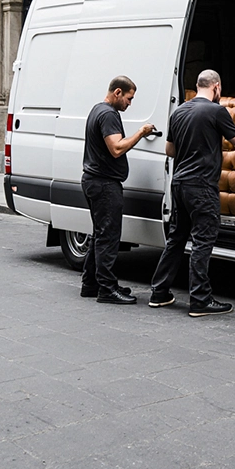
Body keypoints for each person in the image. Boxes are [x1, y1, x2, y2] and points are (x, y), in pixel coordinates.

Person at [149, 69, 235, 317]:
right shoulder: (216, 111)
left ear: (198, 85)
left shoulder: (179, 111)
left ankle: (159, 293)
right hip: (201, 186)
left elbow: (170, 150)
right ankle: (200, 300)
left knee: (176, 239)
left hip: (179, 185)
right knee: (202, 241)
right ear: (216, 87)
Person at [81, 75, 156, 304]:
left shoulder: (97, 109)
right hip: (104, 184)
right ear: (117, 92)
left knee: (100, 235)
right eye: (129, 98)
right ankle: (107, 289)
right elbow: (116, 148)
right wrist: (141, 133)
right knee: (109, 237)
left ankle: (91, 284)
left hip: (94, 181)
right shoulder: (108, 114)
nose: (129, 104)